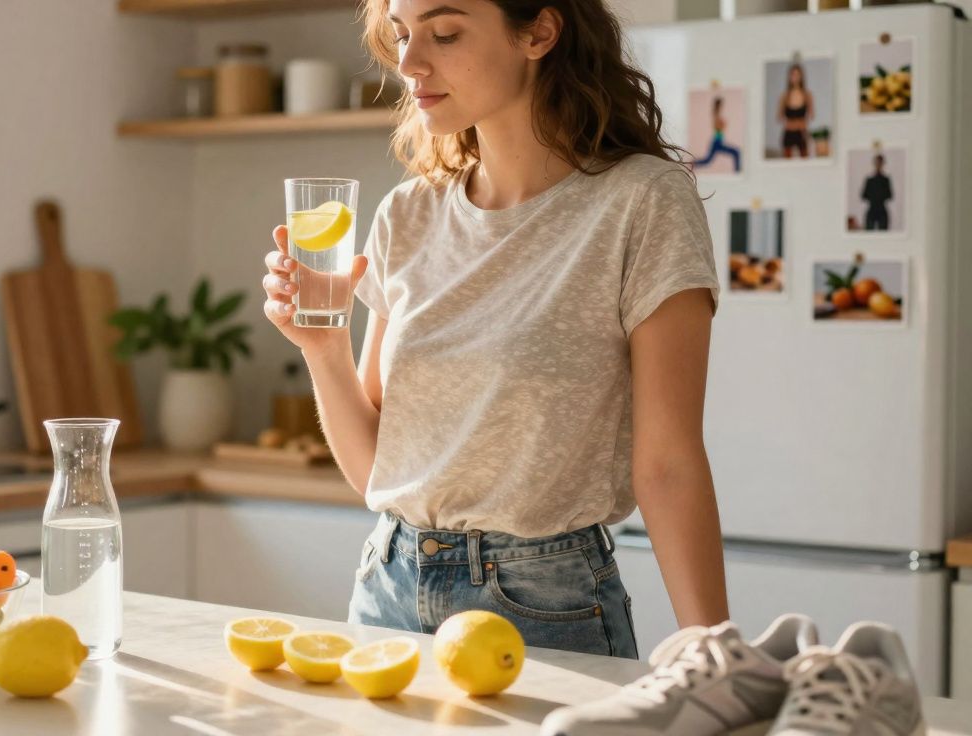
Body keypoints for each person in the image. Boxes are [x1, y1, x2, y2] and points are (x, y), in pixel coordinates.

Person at [260, 0, 728, 660]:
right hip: (386, 589)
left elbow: (669, 465)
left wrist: (713, 654)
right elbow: (377, 475)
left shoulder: (642, 202)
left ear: (538, 31)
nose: (410, 62)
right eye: (401, 36)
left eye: (444, 33)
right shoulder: (408, 214)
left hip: (544, 606)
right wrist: (322, 348)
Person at [693, 96, 741, 172]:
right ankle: (738, 172)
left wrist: (723, 124)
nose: (722, 106)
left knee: (707, 160)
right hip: (717, 142)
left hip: (717, 141)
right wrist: (723, 124)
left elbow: (719, 126)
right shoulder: (716, 115)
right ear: (718, 105)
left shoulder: (717, 115)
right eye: (720, 105)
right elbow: (718, 127)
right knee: (736, 152)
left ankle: (693, 163)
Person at [776, 63, 814, 158]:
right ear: (789, 77)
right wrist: (790, 123)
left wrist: (803, 122)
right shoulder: (784, 96)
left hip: (801, 133)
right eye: (793, 74)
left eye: (797, 74)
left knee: (805, 160)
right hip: (788, 133)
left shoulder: (807, 95)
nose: (795, 77)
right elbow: (779, 117)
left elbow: (811, 115)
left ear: (801, 76)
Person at [862, 154, 893, 231]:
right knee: (868, 234)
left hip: (881, 210)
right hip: (872, 209)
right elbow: (864, 195)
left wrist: (878, 196)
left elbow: (889, 195)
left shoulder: (886, 180)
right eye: (877, 163)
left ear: (883, 164)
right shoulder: (870, 180)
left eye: (880, 163)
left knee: (883, 234)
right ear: (874, 164)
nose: (878, 165)